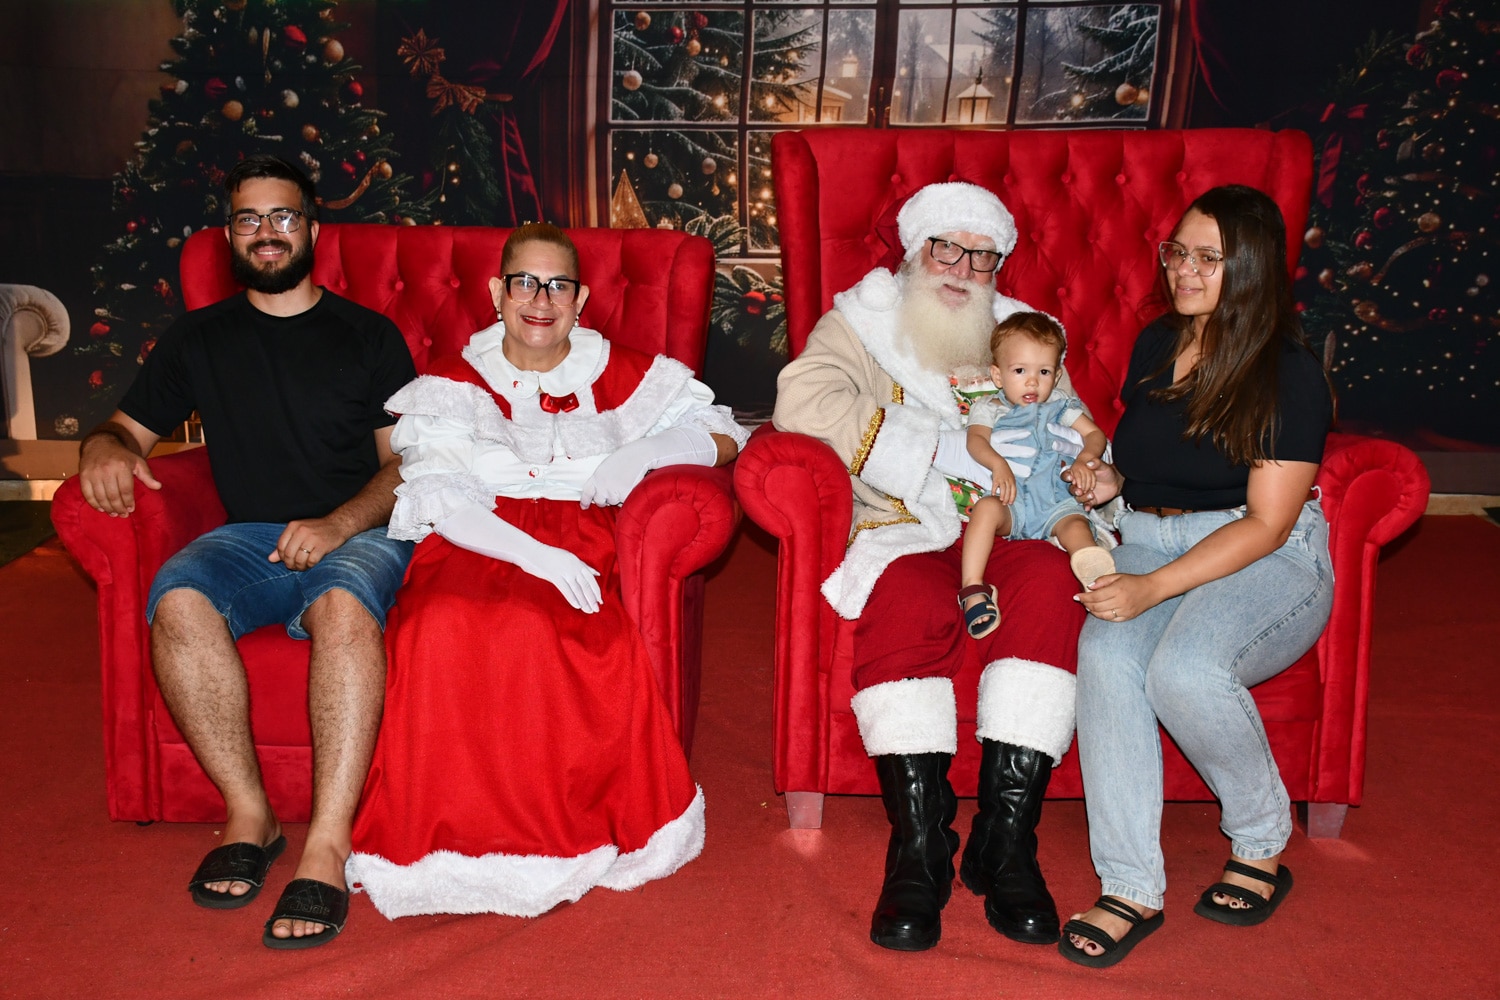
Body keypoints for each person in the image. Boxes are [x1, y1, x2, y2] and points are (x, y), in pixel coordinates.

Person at [345, 223, 747, 919]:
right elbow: (437, 492)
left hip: (587, 532)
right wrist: (535, 556)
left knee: (562, 635)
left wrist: (646, 453)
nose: (541, 300)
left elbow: (725, 433)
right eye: (525, 283)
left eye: (558, 285)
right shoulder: (453, 382)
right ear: (497, 292)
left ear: (580, 299)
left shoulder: (628, 373)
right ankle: (444, 844)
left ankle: (557, 838)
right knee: (437, 626)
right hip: (477, 534)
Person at [75, 155, 418, 948]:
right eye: (249, 219)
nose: (268, 232)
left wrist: (337, 524)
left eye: (284, 216)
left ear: (312, 230)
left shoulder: (369, 336)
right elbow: (123, 429)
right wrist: (102, 447)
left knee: (343, 606)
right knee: (178, 597)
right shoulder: (200, 337)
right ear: (231, 233)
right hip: (248, 539)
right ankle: (250, 814)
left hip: (359, 532)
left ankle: (326, 845)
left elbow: (406, 467)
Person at [773, 182, 1086, 952]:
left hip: (1015, 522)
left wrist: (1090, 473)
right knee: (906, 597)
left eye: (982, 257)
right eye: (947, 248)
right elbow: (800, 400)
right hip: (905, 521)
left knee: (1051, 586)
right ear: (916, 250)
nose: (962, 269)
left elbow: (1072, 427)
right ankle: (921, 847)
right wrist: (934, 449)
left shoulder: (1023, 331)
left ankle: (1004, 844)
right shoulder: (863, 319)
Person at [1057, 185, 1334, 969]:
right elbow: (1150, 462)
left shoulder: (1289, 372)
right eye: (1177, 251)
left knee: (1186, 669)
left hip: (1263, 555)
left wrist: (1152, 588)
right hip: (1147, 536)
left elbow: (1266, 523)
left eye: (1209, 257)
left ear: (1252, 268)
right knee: (1106, 657)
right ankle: (1131, 885)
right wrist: (1109, 481)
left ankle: (1261, 837)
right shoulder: (1157, 342)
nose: (1184, 269)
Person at [956, 311, 1113, 638]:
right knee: (985, 509)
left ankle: (1095, 575)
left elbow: (1094, 434)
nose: (1032, 382)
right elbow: (975, 441)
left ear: (1057, 376)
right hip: (1011, 502)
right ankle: (972, 588)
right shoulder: (990, 407)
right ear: (998, 375)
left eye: (1043, 372)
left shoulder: (1061, 404)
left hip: (1056, 502)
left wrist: (1085, 459)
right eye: (1020, 371)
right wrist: (998, 464)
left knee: (1076, 526)